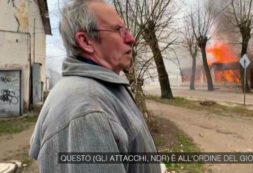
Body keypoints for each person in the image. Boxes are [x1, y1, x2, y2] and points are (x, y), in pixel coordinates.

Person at [29, 0, 161, 172]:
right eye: (118, 30)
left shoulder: (104, 89)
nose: (131, 39)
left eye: (127, 30)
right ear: (86, 41)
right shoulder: (86, 109)